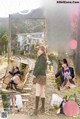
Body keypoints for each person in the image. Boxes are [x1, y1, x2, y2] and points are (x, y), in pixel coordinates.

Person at [33, 46, 47, 115]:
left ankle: (36, 110)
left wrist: (34, 74)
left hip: (40, 76)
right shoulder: (43, 57)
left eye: (40, 50)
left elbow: (40, 67)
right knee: (42, 92)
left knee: (38, 92)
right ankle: (43, 108)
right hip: (43, 76)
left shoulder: (42, 57)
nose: (39, 51)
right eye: (39, 49)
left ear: (43, 51)